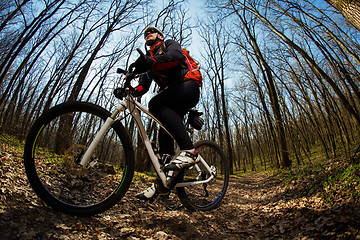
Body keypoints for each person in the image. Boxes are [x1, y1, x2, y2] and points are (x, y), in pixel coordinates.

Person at [129, 26, 201, 200]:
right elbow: (143, 87)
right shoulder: (149, 60)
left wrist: (152, 62)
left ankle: (189, 151)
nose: (148, 34)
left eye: (152, 32)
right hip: (173, 96)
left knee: (154, 103)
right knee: (164, 133)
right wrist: (129, 90)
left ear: (160, 36)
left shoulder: (169, 44)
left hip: (189, 85)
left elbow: (176, 58)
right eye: (145, 34)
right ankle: (163, 184)